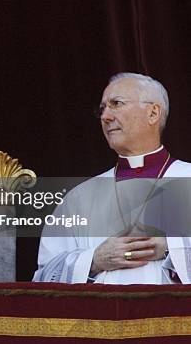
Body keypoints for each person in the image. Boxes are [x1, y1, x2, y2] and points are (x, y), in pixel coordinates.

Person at [34, 72, 191, 284]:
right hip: (100, 317)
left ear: (153, 113)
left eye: (116, 103)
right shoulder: (80, 198)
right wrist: (94, 260)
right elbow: (44, 277)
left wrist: (172, 248)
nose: (105, 116)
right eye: (102, 109)